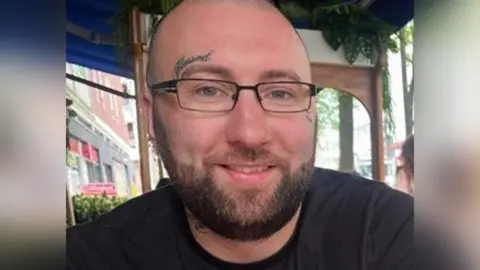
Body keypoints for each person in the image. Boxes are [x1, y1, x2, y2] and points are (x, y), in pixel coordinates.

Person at [66, 1, 424, 269]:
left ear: (311, 110)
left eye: (281, 92)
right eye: (208, 90)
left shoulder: (396, 235)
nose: (250, 133)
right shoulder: (89, 258)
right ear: (150, 114)